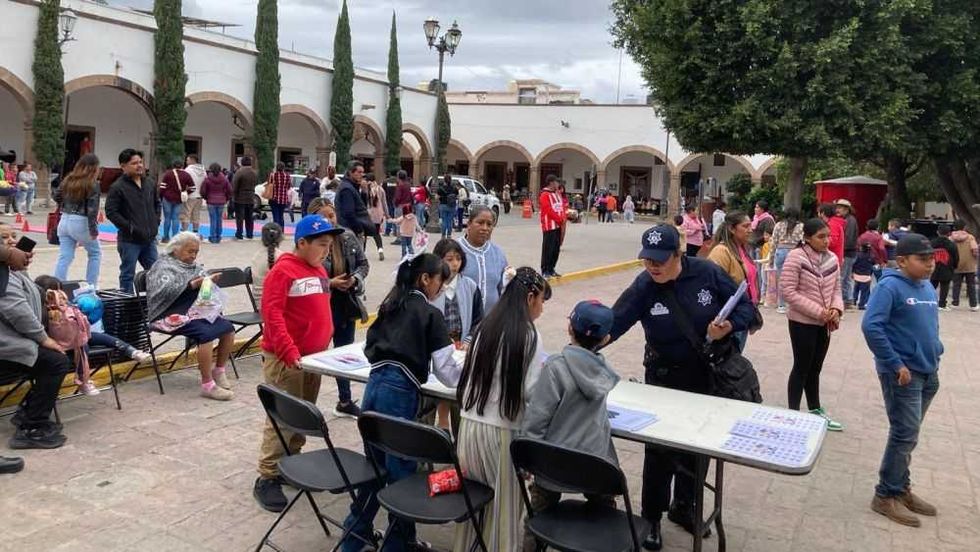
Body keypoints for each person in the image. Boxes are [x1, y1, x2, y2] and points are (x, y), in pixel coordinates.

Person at [608, 224, 755, 551]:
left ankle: (684, 507)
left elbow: (748, 309)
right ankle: (652, 518)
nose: (654, 267)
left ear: (679, 254)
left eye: (661, 260)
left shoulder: (706, 274)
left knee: (697, 448)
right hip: (663, 378)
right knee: (658, 452)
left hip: (705, 377)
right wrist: (585, 342)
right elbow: (614, 322)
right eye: (648, 260)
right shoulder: (645, 285)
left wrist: (727, 326)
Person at [340, 253, 464, 552]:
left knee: (376, 466)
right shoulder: (430, 314)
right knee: (400, 473)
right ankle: (397, 543)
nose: (441, 287)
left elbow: (371, 346)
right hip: (398, 395)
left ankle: (354, 537)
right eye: (440, 281)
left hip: (374, 388)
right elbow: (448, 374)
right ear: (426, 279)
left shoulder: (390, 305)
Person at [452, 267, 550, 552]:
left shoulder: (486, 326)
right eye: (541, 301)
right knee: (503, 510)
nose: (541, 309)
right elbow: (531, 393)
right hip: (502, 435)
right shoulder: (529, 335)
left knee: (475, 507)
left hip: (469, 429)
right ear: (530, 297)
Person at [253, 214, 346, 512]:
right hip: (287, 359)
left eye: (329, 245)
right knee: (282, 416)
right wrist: (290, 352)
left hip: (312, 360)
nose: (326, 251)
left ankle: (291, 463)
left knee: (303, 414)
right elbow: (273, 315)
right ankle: (267, 475)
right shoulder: (283, 271)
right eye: (321, 244)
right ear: (301, 243)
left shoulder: (317, 268)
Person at [862, 233, 943, 528]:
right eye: (923, 259)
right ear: (902, 260)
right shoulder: (890, 287)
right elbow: (872, 327)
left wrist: (937, 350)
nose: (930, 264)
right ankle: (885, 495)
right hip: (903, 375)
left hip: (928, 372)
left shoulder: (926, 287)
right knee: (904, 433)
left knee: (910, 434)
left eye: (932, 258)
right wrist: (895, 362)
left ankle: (901, 488)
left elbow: (930, 325)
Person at [520, 300, 620, 520]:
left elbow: (537, 420)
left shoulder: (556, 368)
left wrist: (527, 458)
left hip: (554, 465)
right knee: (605, 511)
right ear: (605, 339)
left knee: (538, 515)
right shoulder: (604, 372)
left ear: (569, 329)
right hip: (596, 466)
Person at [0, 222, 72, 451]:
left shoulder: (13, 271)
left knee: (69, 350)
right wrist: (44, 339)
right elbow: (17, 311)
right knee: (55, 361)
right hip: (7, 346)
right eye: (4, 238)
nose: (12, 241)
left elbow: (29, 296)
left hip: (18, 341)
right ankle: (32, 426)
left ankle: (28, 413)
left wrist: (47, 296)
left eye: (14, 236)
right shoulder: (5, 275)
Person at [145, 232, 236, 400]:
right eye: (190, 251)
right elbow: (162, 291)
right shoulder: (162, 266)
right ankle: (207, 384)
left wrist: (208, 283)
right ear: (176, 249)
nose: (193, 256)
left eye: (196, 252)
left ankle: (219, 370)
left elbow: (204, 295)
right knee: (206, 335)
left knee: (228, 328)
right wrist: (194, 284)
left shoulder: (195, 267)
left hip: (192, 311)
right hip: (167, 313)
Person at [780, 218, 845, 431]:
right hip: (802, 322)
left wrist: (836, 309)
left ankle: (815, 410)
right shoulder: (795, 257)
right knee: (801, 366)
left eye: (828, 236)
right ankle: (792, 414)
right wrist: (819, 312)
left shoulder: (832, 259)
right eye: (821, 237)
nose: (826, 240)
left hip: (824, 324)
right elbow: (788, 291)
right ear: (807, 238)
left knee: (815, 368)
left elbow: (837, 289)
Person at [310, 197, 369, 418]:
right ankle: (305, 400)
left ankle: (344, 400)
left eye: (331, 215)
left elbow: (364, 264)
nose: (329, 220)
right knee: (315, 353)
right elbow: (304, 278)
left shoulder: (347, 236)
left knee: (343, 353)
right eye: (323, 216)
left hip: (346, 303)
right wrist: (330, 284)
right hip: (320, 305)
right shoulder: (309, 242)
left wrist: (354, 279)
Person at [105, 149, 160, 293]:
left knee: (156, 272)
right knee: (128, 274)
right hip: (129, 240)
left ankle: (154, 302)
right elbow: (111, 212)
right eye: (134, 163)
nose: (139, 166)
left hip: (149, 239)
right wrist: (129, 227)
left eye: (140, 162)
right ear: (123, 166)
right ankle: (127, 304)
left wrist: (156, 222)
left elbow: (157, 204)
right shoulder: (118, 187)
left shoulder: (149, 183)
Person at [707, 211, 759, 351]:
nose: (750, 229)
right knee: (728, 362)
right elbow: (712, 284)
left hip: (742, 314)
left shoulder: (742, 249)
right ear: (731, 229)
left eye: (750, 226)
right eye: (745, 226)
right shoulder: (721, 252)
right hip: (728, 317)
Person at [53, 154, 102, 287]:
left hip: (64, 219)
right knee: (95, 253)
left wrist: (63, 204)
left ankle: (57, 285)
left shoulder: (68, 179)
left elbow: (56, 195)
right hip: (81, 221)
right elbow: (92, 209)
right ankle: (91, 286)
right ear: (94, 168)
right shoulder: (93, 184)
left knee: (65, 256)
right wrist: (93, 229)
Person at [431, 238, 483, 344]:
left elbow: (478, 319)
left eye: (458, 259)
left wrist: (469, 341)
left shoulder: (470, 286)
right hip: (436, 348)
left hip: (463, 346)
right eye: (449, 260)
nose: (455, 264)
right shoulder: (430, 287)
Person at [457, 205, 509, 311]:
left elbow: (503, 288)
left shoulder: (498, 254)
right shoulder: (454, 250)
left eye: (489, 224)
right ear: (469, 224)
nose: (485, 228)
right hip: (461, 322)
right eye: (480, 223)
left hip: (491, 322)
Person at [336, 161, 383, 261]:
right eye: (359, 172)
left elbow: (361, 206)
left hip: (354, 231)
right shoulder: (347, 189)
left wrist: (364, 192)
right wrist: (359, 229)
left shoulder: (353, 187)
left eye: (363, 172)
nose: (362, 175)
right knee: (355, 262)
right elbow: (349, 213)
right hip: (350, 231)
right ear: (350, 172)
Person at [771, 208, 803, 313]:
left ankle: (781, 305)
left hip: (780, 251)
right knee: (795, 279)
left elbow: (773, 242)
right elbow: (803, 241)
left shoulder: (779, 225)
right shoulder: (801, 226)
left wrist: (771, 259)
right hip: (794, 252)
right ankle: (794, 304)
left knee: (781, 279)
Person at [249, 223, 285, 307]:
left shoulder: (256, 257)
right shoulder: (282, 257)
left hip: (259, 304)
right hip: (274, 305)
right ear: (281, 238)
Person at [158, 159, 192, 243]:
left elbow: (162, 187)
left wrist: (161, 196)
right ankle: (175, 237)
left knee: (167, 218)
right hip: (179, 199)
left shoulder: (168, 174)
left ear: (173, 165)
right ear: (182, 165)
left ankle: (165, 237)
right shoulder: (186, 175)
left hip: (167, 198)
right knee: (176, 218)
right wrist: (185, 193)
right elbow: (193, 187)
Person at [539, 174, 566, 279]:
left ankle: (552, 268)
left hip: (559, 226)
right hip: (549, 226)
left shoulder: (557, 193)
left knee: (555, 248)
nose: (558, 184)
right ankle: (545, 270)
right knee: (548, 249)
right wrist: (559, 219)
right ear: (551, 183)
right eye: (556, 182)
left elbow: (561, 207)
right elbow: (547, 210)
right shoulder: (544, 195)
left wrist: (564, 217)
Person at [200, 163, 232, 244]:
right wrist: (226, 198)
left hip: (211, 201)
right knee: (219, 219)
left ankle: (213, 236)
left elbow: (203, 191)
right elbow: (230, 190)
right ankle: (218, 236)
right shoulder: (224, 179)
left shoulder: (207, 179)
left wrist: (206, 197)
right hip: (221, 201)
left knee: (213, 219)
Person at [835, 199, 860, 309]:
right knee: (846, 277)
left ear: (846, 209)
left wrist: (841, 250)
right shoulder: (847, 219)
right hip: (849, 252)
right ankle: (848, 300)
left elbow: (848, 239)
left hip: (847, 253)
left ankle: (845, 300)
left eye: (840, 208)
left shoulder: (850, 221)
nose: (837, 210)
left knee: (843, 277)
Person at [950, 220, 978, 311]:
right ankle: (973, 305)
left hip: (956, 265)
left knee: (956, 285)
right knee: (971, 285)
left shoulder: (951, 238)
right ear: (964, 227)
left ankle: (955, 303)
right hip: (969, 265)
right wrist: (975, 257)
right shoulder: (970, 237)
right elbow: (974, 249)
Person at [930, 224, 959, 311]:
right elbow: (956, 257)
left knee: (932, 286)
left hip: (934, 267)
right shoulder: (952, 245)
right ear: (949, 233)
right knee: (945, 286)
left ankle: (929, 301)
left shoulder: (932, 243)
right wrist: (954, 266)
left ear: (937, 232)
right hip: (947, 267)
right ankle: (942, 304)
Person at [232, 156, 258, 240]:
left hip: (240, 197)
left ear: (242, 163)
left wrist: (233, 195)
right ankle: (249, 233)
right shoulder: (254, 172)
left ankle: (239, 233)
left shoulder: (239, 172)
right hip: (251, 196)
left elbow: (235, 185)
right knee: (249, 217)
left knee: (240, 217)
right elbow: (256, 183)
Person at [181, 154, 206, 234]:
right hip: (199, 196)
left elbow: (184, 181)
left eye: (187, 160)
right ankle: (195, 231)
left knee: (186, 214)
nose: (186, 162)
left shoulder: (188, 170)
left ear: (192, 160)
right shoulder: (203, 170)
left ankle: (184, 231)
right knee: (196, 214)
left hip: (190, 195)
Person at [266, 162, 292, 228]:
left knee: (275, 216)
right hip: (283, 199)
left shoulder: (273, 175)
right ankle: (281, 231)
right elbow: (289, 187)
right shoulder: (287, 176)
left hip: (274, 198)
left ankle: (276, 230)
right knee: (281, 216)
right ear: (283, 168)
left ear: (277, 167)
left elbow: (269, 185)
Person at [852, 243, 876, 310]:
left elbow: (854, 264)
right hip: (866, 276)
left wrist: (853, 271)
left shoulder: (858, 255)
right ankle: (861, 305)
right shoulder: (871, 256)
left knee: (856, 289)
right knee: (864, 292)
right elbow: (874, 263)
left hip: (857, 275)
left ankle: (854, 300)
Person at [365, 174, 388, 242]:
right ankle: (380, 248)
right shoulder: (380, 189)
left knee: (365, 233)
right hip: (378, 213)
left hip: (368, 213)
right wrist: (387, 214)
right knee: (376, 233)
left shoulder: (365, 189)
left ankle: (363, 250)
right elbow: (384, 203)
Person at [437, 173, 457, 239]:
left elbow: (437, 197)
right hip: (452, 206)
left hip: (443, 205)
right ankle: (449, 235)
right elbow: (457, 196)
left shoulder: (441, 188)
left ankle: (443, 235)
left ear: (444, 180)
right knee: (450, 221)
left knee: (444, 220)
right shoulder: (454, 188)